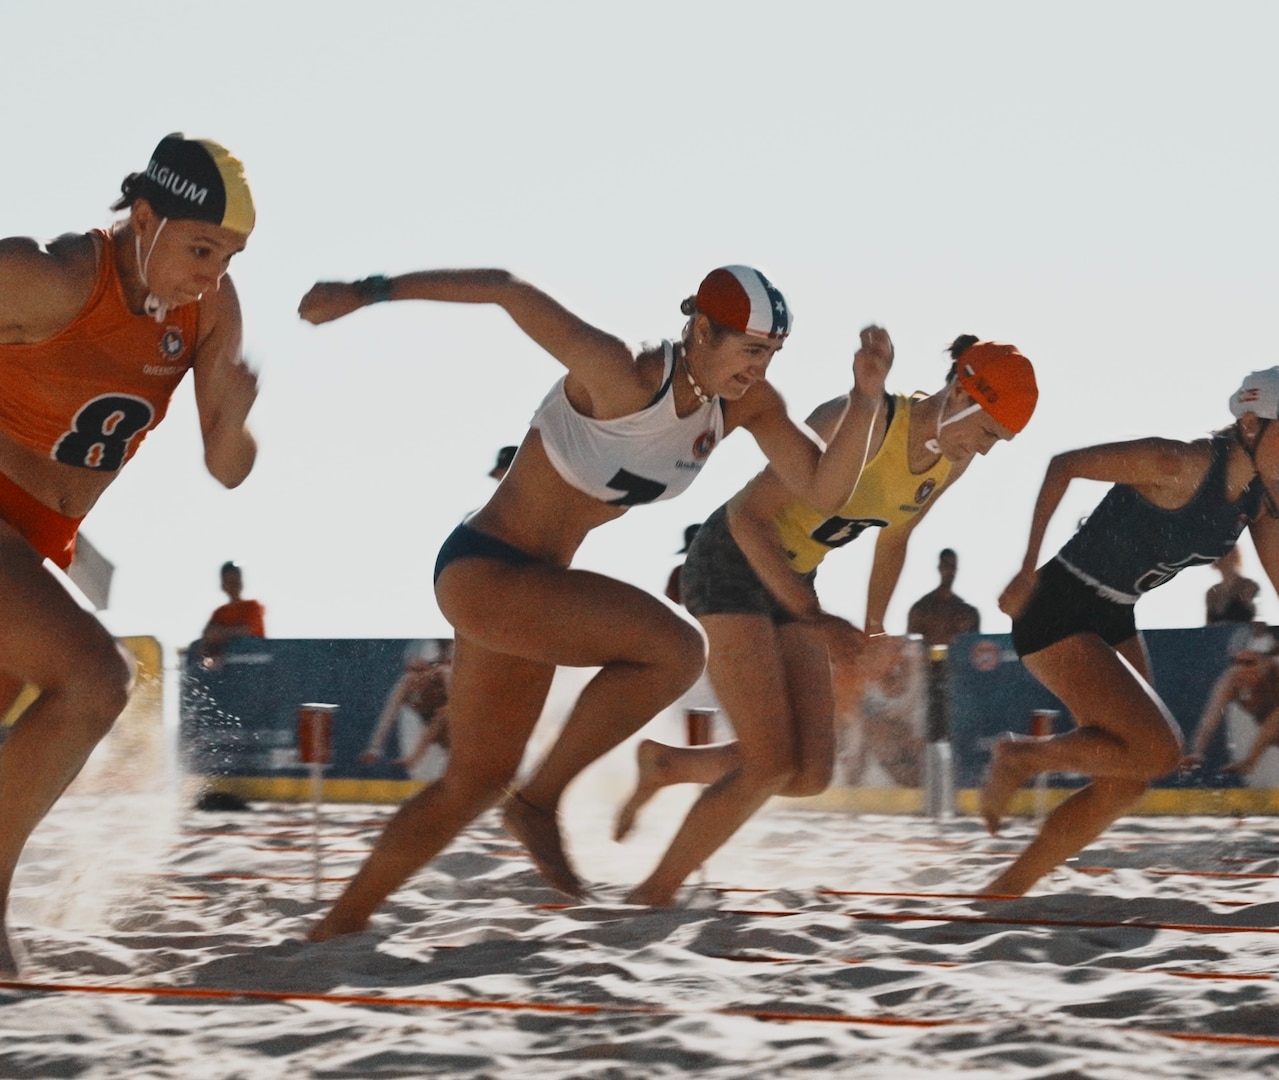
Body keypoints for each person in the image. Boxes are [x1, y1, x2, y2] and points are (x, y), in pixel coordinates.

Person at [297, 263, 892, 940]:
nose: (758, 369)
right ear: (701, 329)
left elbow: (822, 490)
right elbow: (504, 289)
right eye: (750, 350)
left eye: (771, 356)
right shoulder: (623, 376)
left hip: (525, 588)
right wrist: (362, 293)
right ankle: (541, 800)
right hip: (487, 569)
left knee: (473, 783)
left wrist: (865, 399)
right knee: (672, 651)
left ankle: (336, 927)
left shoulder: (744, 404)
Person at [615, 336, 1038, 905]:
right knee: (769, 765)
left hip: (797, 577)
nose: (984, 451)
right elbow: (749, 518)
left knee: (809, 771)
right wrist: (815, 617)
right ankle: (653, 894)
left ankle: (667, 765)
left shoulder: (949, 461)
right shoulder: (857, 420)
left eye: (998, 443)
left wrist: (872, 626)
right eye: (988, 433)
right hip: (733, 556)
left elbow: (896, 538)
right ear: (962, 391)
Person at [0, 133, 257, 971]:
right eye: (198, 248)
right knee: (96, 679)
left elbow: (226, 469)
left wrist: (239, 415)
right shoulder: (54, 277)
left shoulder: (210, 310)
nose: (211, 272)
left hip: (37, 543)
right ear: (142, 218)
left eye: (228, 255)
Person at [986, 368, 1279, 897]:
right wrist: (1027, 567)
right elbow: (1064, 466)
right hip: (1058, 605)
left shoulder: (1256, 500)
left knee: (1127, 783)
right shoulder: (1179, 462)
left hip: (1115, 613)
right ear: (1252, 424)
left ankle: (1008, 888)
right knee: (1160, 753)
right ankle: (1022, 756)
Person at [1183, 623, 1279, 781]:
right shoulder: (1230, 681)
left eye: (1248, 663)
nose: (1240, 669)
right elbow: (1210, 719)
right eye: (1235, 662)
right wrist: (1197, 751)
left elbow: (1272, 724)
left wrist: (1250, 761)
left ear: (1266, 663)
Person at [361, 641, 453, 782]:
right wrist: (375, 747)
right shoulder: (406, 685)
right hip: (443, 737)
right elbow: (388, 716)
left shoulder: (443, 675)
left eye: (418, 670)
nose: (412, 676)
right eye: (408, 670)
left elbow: (457, 708)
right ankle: (415, 758)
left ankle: (415, 758)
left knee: (443, 713)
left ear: (431, 669)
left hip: (460, 732)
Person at [198, 560, 266, 668]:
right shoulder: (219, 613)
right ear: (223, 585)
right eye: (230, 582)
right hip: (227, 669)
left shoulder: (253, 606)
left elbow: (247, 630)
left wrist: (221, 634)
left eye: (236, 581)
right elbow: (208, 634)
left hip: (253, 665)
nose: (234, 586)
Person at [907, 548, 981, 647]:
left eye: (952, 567)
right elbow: (911, 646)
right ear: (940, 567)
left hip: (957, 661)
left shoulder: (967, 612)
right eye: (946, 565)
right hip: (928, 661)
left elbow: (974, 648)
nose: (949, 571)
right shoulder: (921, 609)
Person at [1205, 546, 1260, 625]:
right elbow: (1208, 628)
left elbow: (1255, 621)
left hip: (1243, 635)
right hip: (1221, 636)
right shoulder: (1211, 593)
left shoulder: (1248, 586)